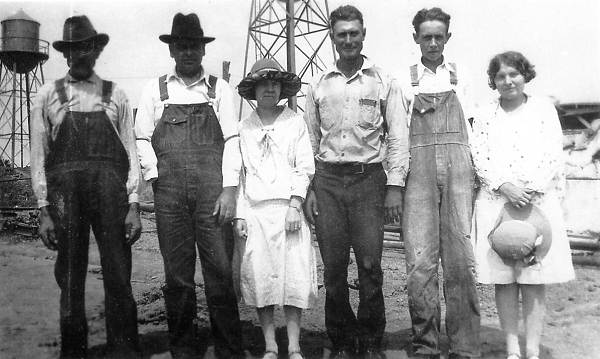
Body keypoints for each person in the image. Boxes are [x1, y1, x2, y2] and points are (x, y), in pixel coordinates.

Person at [30, 15, 142, 358]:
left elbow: (131, 150)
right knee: (70, 274)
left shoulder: (115, 95)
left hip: (111, 194)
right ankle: (74, 350)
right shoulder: (48, 95)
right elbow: (38, 155)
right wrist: (43, 209)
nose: (81, 55)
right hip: (66, 197)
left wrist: (134, 203)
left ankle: (123, 349)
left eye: (87, 48)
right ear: (66, 54)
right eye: (74, 49)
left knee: (118, 272)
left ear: (96, 50)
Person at [134, 13, 244, 359]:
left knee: (220, 271)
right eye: (182, 47)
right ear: (173, 50)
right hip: (170, 196)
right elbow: (140, 137)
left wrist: (229, 190)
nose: (188, 53)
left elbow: (233, 139)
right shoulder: (157, 90)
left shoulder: (218, 90)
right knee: (178, 275)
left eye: (194, 46)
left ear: (202, 49)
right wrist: (154, 175)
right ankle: (183, 346)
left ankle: (228, 347)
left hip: (212, 194)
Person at [303, 5, 407, 359]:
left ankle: (371, 340)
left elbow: (398, 137)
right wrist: (309, 190)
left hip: (368, 182)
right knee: (332, 267)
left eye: (354, 33)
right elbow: (309, 140)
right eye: (341, 34)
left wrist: (395, 187)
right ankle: (342, 340)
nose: (348, 40)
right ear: (332, 37)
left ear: (364, 35)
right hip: (328, 181)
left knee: (369, 265)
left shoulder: (382, 81)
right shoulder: (317, 84)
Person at [471, 51, 575, 359]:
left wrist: (530, 187)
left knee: (533, 277)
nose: (508, 81)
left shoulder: (543, 109)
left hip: (536, 201)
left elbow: (554, 151)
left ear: (525, 75)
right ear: (494, 81)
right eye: (501, 76)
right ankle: (512, 348)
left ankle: (532, 349)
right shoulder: (486, 113)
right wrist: (505, 186)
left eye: (514, 74)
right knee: (504, 279)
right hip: (497, 202)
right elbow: (478, 153)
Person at [401, 7, 480, 359]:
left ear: (448, 37)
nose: (432, 42)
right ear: (415, 37)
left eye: (439, 36)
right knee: (420, 263)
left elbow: (477, 130)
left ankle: (464, 345)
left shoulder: (465, 77)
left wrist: (478, 178)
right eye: (426, 36)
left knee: (461, 260)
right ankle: (425, 344)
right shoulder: (405, 80)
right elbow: (397, 136)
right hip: (417, 172)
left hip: (460, 171)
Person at [234, 58, 318, 359]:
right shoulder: (243, 127)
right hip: (256, 212)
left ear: (282, 88)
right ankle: (270, 343)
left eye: (274, 82)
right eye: (263, 83)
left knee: (293, 277)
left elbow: (304, 167)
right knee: (261, 277)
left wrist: (295, 204)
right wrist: (240, 214)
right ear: (253, 89)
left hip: (288, 211)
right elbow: (239, 174)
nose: (269, 88)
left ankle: (294, 345)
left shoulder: (294, 121)